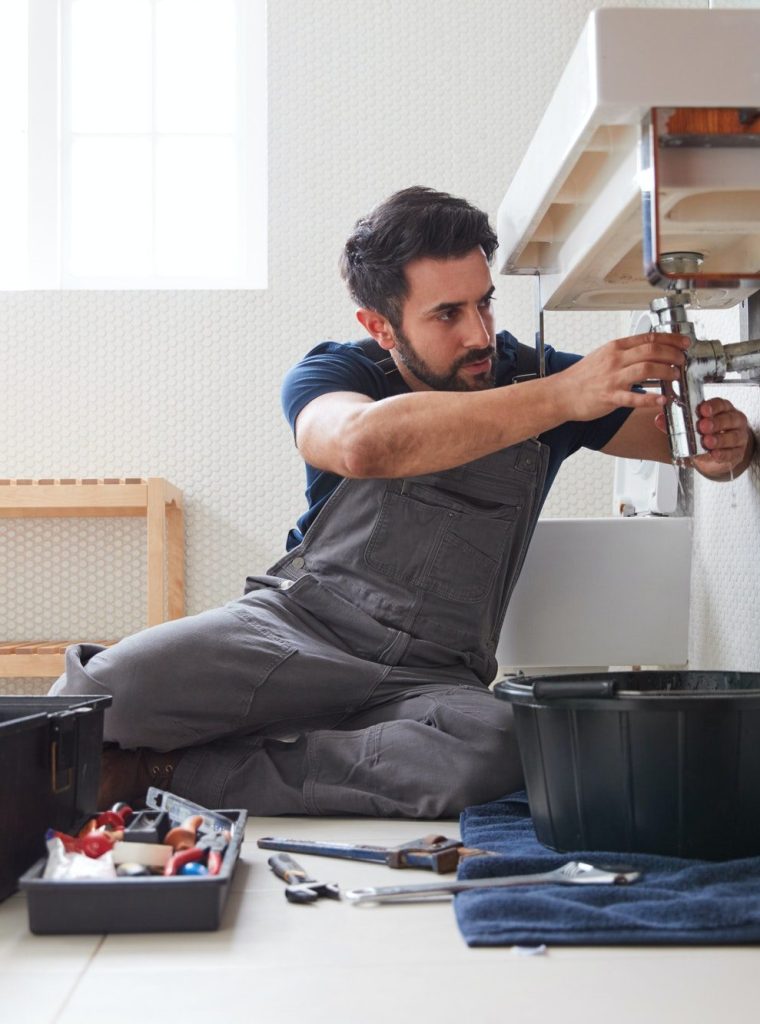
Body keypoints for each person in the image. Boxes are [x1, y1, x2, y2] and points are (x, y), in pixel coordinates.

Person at [51, 187, 755, 818]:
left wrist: (727, 445)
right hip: (297, 630)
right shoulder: (337, 371)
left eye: (484, 302)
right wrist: (562, 396)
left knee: (503, 748)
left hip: (435, 674)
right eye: (447, 314)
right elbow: (358, 443)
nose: (480, 335)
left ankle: (168, 770)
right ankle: (266, 745)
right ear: (380, 325)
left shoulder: (529, 375)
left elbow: (682, 444)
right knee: (102, 696)